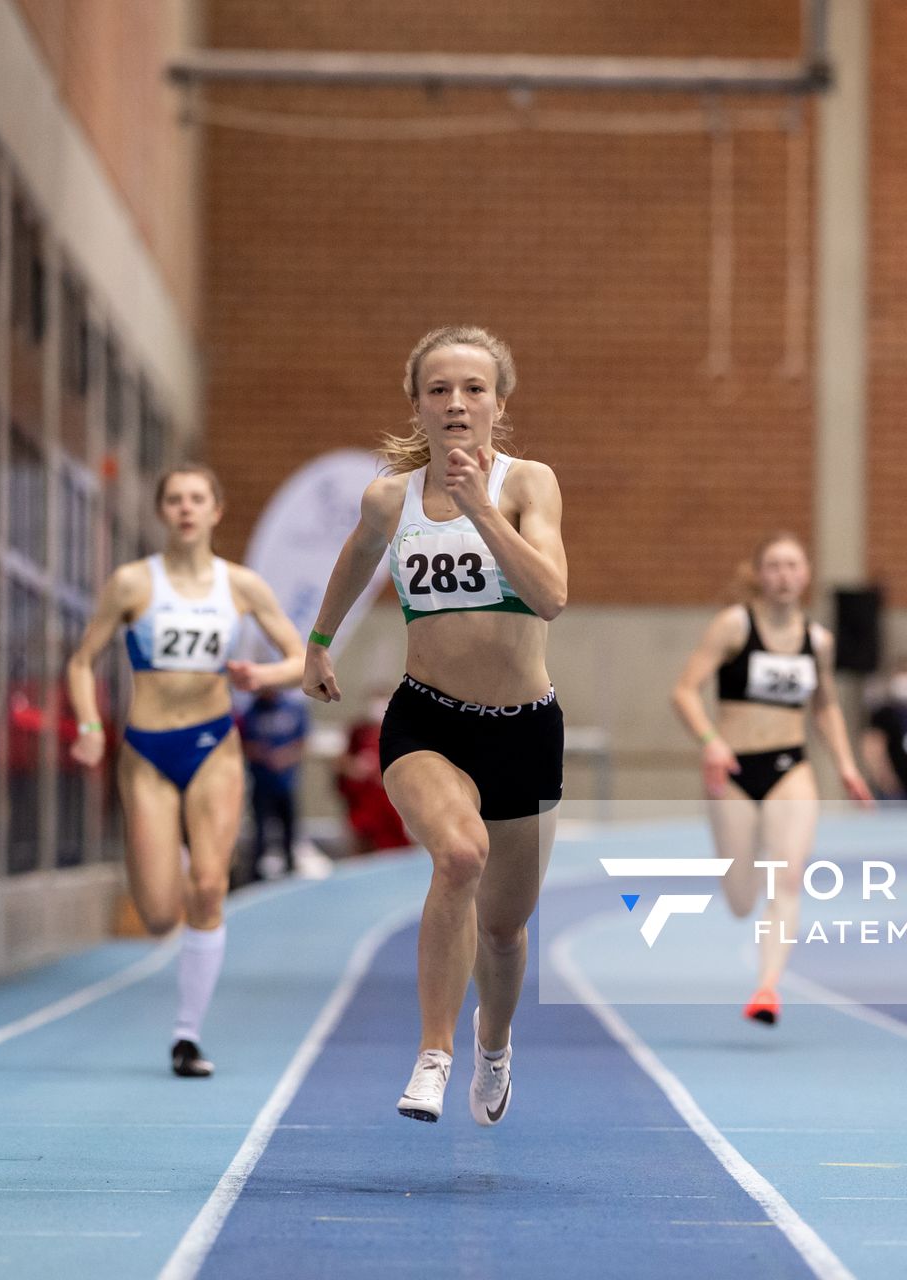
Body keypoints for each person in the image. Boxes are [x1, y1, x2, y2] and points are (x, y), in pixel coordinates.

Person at [301, 325, 567, 1126]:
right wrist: (318, 640)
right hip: (429, 721)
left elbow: (551, 593)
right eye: (439, 389)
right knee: (459, 855)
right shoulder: (392, 497)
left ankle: (493, 1044)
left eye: (473, 389)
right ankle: (433, 1053)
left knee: (505, 930)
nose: (456, 403)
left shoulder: (529, 485)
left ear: (499, 404)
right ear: (417, 403)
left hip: (523, 729)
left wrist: (484, 509)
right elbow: (356, 556)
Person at [65, 465, 305, 1078]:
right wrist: (91, 730)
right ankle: (162, 855)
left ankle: (187, 1035)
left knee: (208, 887)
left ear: (216, 510)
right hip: (145, 752)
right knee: (160, 916)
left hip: (214, 746)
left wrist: (263, 676)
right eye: (174, 500)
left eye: (197, 498)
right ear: (162, 512)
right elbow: (81, 662)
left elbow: (301, 658)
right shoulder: (130, 584)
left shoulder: (242, 586)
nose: (186, 509)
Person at [670, 534, 874, 1026]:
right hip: (735, 772)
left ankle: (766, 988)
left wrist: (846, 764)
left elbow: (824, 705)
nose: (784, 575)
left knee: (787, 878)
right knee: (742, 900)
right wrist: (711, 741)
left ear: (806, 576)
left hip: (791, 768)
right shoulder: (735, 626)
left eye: (793, 566)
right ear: (761, 574)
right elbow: (684, 692)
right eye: (775, 566)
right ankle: (745, 882)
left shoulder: (817, 640)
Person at [240, 688, 310, 880]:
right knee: (260, 831)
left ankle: (290, 869)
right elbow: (243, 744)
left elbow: (303, 742)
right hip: (262, 784)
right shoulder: (250, 713)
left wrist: (284, 757)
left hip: (286, 784)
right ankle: (255, 875)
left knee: (289, 829)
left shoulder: (294, 710)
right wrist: (264, 755)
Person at [336, 688, 412, 854]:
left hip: (391, 803)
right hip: (363, 802)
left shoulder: (403, 732)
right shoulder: (358, 731)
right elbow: (341, 761)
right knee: (362, 845)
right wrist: (354, 768)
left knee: (395, 849)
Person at [864, 656, 907, 804]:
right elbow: (872, 748)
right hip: (892, 792)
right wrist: (886, 779)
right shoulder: (883, 713)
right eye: (903, 673)